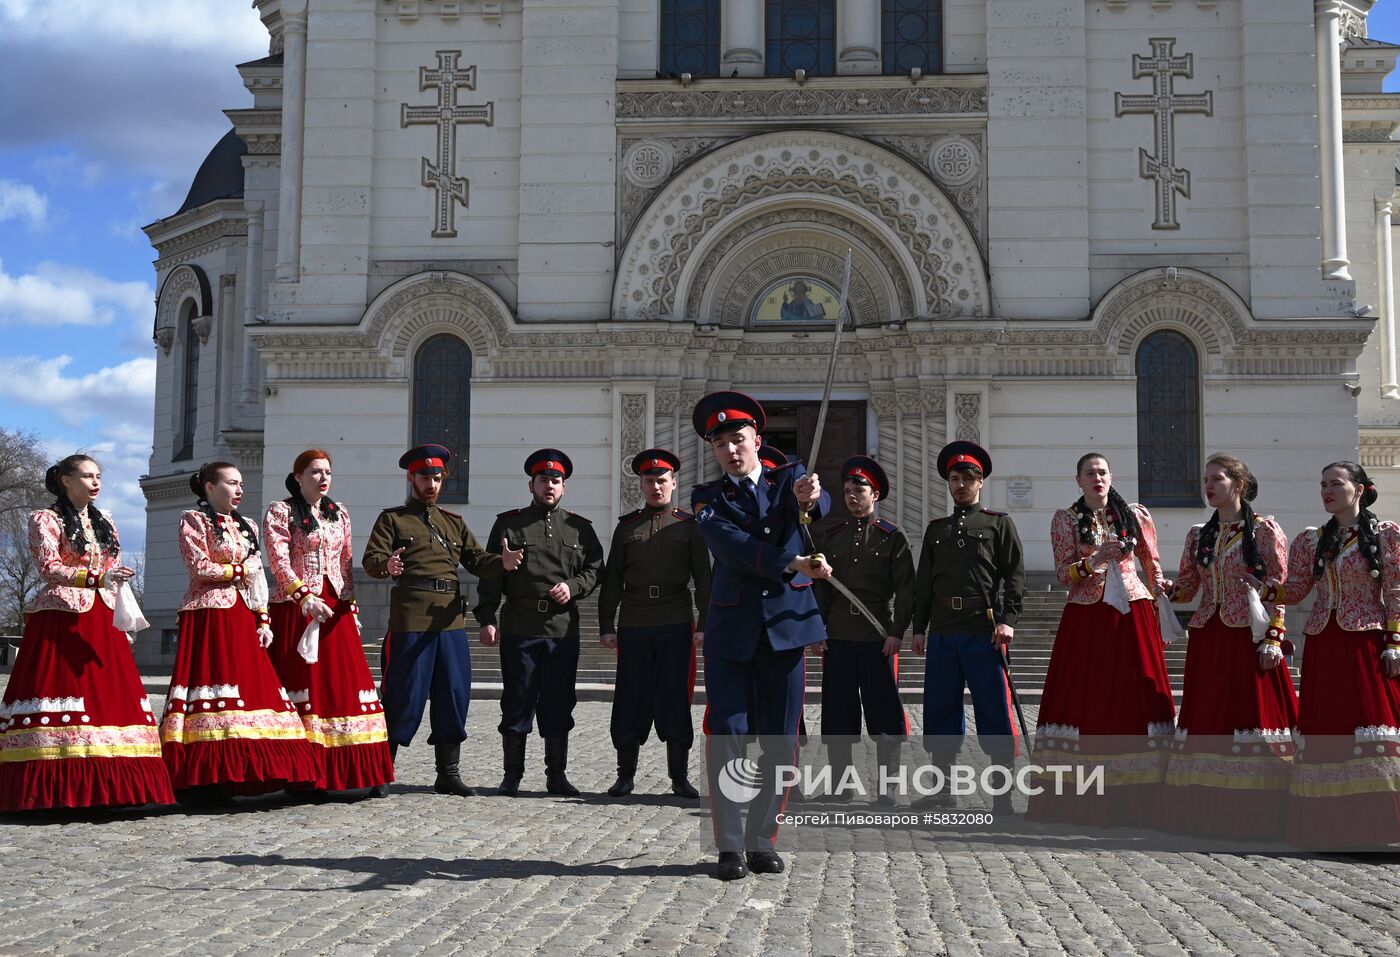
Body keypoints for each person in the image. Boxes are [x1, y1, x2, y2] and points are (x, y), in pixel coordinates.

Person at [689, 391, 831, 881]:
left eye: (739, 439)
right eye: (722, 442)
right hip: (732, 632)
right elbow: (732, 545)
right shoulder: (707, 499)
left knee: (780, 740)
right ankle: (729, 847)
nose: (732, 449)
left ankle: (762, 838)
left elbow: (818, 504)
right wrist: (788, 562)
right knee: (726, 736)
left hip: (787, 629)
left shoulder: (788, 479)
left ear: (757, 440)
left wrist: (812, 498)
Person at [0, 455, 173, 812]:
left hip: (103, 613)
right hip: (63, 618)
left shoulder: (105, 520)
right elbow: (49, 567)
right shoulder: (43, 519)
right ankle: (57, 786)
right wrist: (94, 577)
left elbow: (109, 562)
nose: (96, 482)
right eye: (87, 476)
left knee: (109, 695)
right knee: (65, 694)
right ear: (66, 479)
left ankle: (114, 786)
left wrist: (114, 578)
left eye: (98, 476)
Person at [1025, 453, 1176, 827]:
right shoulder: (1067, 519)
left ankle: (1145, 788)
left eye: (1103, 472)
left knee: (1136, 688)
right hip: (1088, 613)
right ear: (1078, 480)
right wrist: (1094, 562)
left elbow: (1150, 561)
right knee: (1085, 692)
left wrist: (1162, 595)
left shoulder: (1134, 515)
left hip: (1133, 611)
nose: (1098, 478)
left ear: (1112, 477)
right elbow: (1063, 573)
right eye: (1090, 473)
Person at [362, 444, 520, 797]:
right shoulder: (393, 519)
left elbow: (478, 560)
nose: (431, 483)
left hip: (450, 620)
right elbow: (372, 558)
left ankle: (447, 772)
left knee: (453, 694)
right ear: (411, 478)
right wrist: (386, 565)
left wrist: (503, 563)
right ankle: (381, 771)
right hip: (411, 618)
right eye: (424, 477)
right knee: (403, 695)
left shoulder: (454, 522)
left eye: (436, 477)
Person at [160, 462, 319, 804]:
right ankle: (204, 776)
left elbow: (258, 576)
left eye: (241, 483)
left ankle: (244, 771)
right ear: (209, 487)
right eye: (232, 483)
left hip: (242, 614)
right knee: (212, 689)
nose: (239, 489)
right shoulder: (194, 520)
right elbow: (199, 567)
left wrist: (263, 617)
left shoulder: (246, 525)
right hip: (207, 614)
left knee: (250, 689)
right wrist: (237, 569)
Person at [1161, 453, 1297, 839]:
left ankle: (1255, 811)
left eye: (1216, 479)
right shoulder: (1198, 534)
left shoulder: (1266, 531)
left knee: (1251, 717)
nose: (1208, 485)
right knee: (1209, 718)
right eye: (1205, 479)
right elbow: (1189, 587)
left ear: (1238, 485)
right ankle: (1206, 810)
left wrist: (1274, 636)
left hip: (1247, 638)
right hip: (1209, 636)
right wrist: (1169, 590)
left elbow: (1280, 588)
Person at [1270, 461, 1400, 847]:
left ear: (1359, 489)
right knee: (1327, 726)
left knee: (1370, 723)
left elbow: (1395, 591)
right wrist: (1265, 590)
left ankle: (1380, 826)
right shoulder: (1311, 540)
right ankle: (1328, 826)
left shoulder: (1385, 534)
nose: (1326, 490)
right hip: (1324, 643)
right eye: (1323, 484)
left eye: (1336, 484)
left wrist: (1395, 642)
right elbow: (1294, 590)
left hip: (1365, 641)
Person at [264, 449, 393, 796]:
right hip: (295, 606)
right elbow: (278, 561)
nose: (323, 478)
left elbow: (346, 561)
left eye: (327, 472)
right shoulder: (281, 511)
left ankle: (360, 770)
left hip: (335, 605)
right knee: (305, 683)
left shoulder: (340, 513)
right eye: (315, 472)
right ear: (298, 477)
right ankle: (305, 773)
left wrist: (351, 605)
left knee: (347, 684)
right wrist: (303, 596)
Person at [476, 449, 604, 798]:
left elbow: (595, 569)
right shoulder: (509, 524)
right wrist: (487, 617)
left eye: (557, 481)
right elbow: (491, 573)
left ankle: (556, 775)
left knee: (559, 701)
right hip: (520, 626)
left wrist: (573, 587)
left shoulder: (580, 528)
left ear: (564, 487)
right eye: (544, 480)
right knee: (517, 698)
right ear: (531, 484)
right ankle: (511, 775)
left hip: (562, 629)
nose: (550, 485)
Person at [910, 441, 1025, 814]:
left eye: (968, 479)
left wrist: (1008, 621)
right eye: (955, 478)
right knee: (940, 711)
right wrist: (919, 627)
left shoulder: (997, 524)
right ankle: (943, 791)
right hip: (944, 631)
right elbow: (924, 582)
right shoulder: (936, 529)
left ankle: (1002, 796)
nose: (960, 485)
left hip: (984, 631)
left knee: (993, 711)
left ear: (980, 483)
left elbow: (1015, 577)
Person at [598, 448, 712, 800]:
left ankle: (679, 777)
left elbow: (704, 578)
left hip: (675, 621)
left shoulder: (689, 527)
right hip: (634, 622)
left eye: (662, 481)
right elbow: (613, 579)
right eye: (650, 481)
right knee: (630, 697)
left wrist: (703, 623)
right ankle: (625, 775)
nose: (656, 487)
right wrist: (606, 624)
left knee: (675, 698)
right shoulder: (626, 527)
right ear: (641, 485)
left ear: (674, 483)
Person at [814, 455, 914, 805]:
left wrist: (897, 631)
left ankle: (887, 787)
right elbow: (821, 590)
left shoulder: (892, 537)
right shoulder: (831, 537)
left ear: (875, 494)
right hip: (839, 635)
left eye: (859, 489)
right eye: (846, 490)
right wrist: (818, 631)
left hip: (877, 638)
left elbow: (906, 590)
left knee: (884, 713)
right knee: (838, 714)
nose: (852, 495)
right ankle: (841, 785)